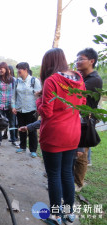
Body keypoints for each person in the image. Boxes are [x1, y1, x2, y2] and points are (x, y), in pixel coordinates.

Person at [36, 48, 86, 224]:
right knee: (67, 173)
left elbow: (47, 113)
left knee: (54, 175)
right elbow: (82, 105)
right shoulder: (79, 80)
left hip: (54, 135)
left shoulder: (52, 81)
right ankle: (69, 212)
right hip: (73, 134)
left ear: (48, 63)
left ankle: (56, 215)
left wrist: (38, 102)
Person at [74, 48, 103, 192]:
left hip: (86, 121)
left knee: (81, 153)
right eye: (77, 59)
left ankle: (78, 183)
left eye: (81, 59)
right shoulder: (82, 77)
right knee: (74, 150)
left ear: (91, 61)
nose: (77, 62)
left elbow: (74, 91)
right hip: (76, 118)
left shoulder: (94, 80)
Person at [12, 62, 41, 158]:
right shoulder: (17, 81)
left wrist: (39, 108)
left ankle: (33, 150)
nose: (18, 70)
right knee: (21, 129)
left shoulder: (34, 80)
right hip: (20, 109)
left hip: (31, 110)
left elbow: (39, 96)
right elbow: (13, 95)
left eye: (20, 68)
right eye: (18, 68)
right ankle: (22, 146)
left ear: (26, 70)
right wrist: (13, 106)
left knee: (32, 131)